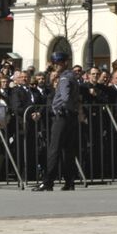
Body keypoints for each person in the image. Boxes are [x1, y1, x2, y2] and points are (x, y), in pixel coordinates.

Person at [35, 60, 79, 191]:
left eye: (58, 64)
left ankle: (48, 181)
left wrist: (61, 108)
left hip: (62, 117)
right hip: (70, 117)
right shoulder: (72, 76)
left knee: (54, 150)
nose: (55, 66)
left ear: (64, 64)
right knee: (68, 151)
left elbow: (65, 98)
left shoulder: (65, 78)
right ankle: (69, 181)